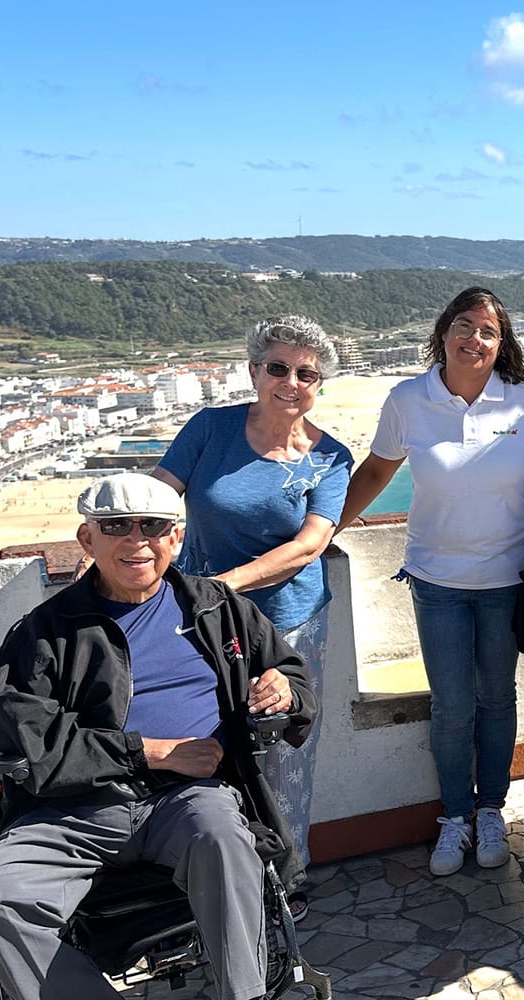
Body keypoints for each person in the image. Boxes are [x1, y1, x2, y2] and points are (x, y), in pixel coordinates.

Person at [0, 473, 315, 1000]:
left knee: (224, 840)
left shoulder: (218, 610)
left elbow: (292, 674)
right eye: (116, 526)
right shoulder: (43, 633)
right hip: (74, 809)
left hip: (188, 800)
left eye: (153, 526)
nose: (137, 541)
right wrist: (155, 753)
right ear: (87, 539)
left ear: (175, 538)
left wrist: (284, 689)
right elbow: (35, 746)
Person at [338, 287, 524, 876]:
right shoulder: (408, 400)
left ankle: (492, 810)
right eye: (465, 325)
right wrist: (321, 531)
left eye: (489, 332)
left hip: (505, 580)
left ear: (501, 346)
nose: (475, 339)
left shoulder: (523, 401)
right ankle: (454, 818)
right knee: (452, 705)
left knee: (497, 699)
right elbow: (377, 471)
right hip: (435, 579)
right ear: (443, 332)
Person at [153, 314, 353, 900]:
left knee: (286, 750)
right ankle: (212, 879)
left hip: (289, 625)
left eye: (307, 373)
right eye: (278, 368)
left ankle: (286, 883)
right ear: (254, 372)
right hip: (199, 625)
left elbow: (308, 545)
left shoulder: (330, 459)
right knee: (203, 743)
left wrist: (220, 585)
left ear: (319, 385)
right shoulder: (209, 429)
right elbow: (160, 494)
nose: (291, 382)